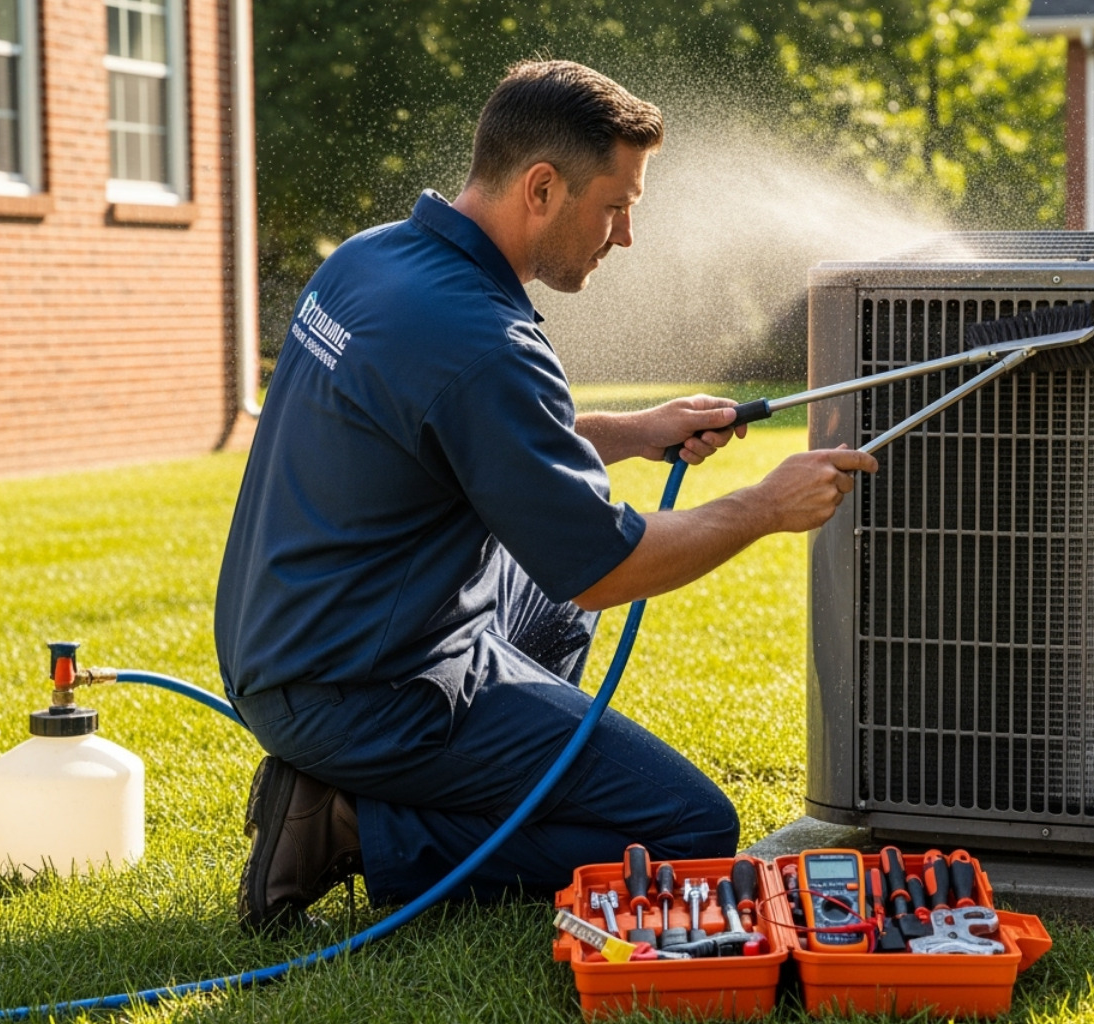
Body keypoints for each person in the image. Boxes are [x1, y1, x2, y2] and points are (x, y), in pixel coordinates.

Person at [215, 59, 877, 932]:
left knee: (554, 610)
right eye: (615, 205)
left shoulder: (376, 261)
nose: (626, 235)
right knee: (691, 830)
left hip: (289, 642)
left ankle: (434, 779)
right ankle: (351, 825)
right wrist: (764, 506)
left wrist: (640, 432)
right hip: (365, 689)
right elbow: (605, 568)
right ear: (541, 186)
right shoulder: (480, 338)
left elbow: (470, 432)